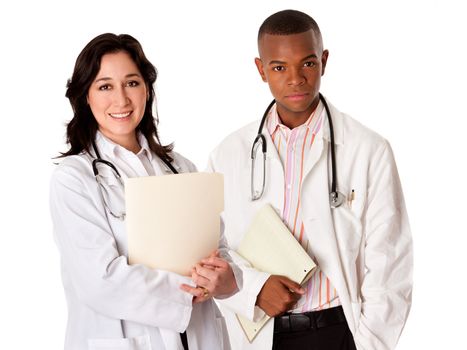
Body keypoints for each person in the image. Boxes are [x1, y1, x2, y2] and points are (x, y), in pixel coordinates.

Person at [208, 10, 412, 350]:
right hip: (258, 332)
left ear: (324, 61)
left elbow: (390, 264)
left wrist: (368, 345)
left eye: (307, 63)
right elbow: (215, 250)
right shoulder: (228, 153)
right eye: (278, 67)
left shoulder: (368, 149)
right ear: (261, 69)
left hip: (337, 332)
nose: (295, 79)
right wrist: (255, 288)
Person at [50, 33, 237, 350]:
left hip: (200, 336)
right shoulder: (74, 179)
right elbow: (100, 282)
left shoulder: (182, 168)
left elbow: (219, 251)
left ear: (147, 90)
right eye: (105, 86)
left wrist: (225, 278)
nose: (121, 99)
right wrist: (193, 286)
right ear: (85, 97)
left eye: (132, 83)